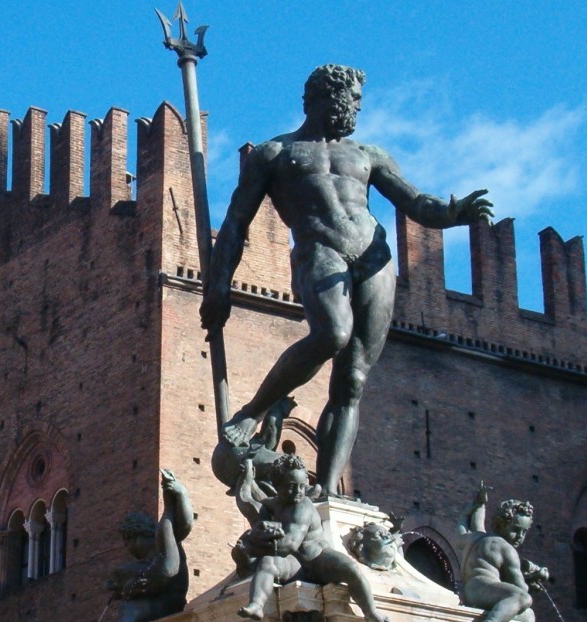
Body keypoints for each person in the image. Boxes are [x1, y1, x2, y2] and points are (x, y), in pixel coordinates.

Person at [200, 64, 494, 496]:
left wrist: (453, 214)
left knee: (352, 379)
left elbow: (415, 202)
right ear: (327, 95)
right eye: (353, 99)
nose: (358, 108)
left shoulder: (367, 155)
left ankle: (329, 494)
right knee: (333, 334)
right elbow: (235, 223)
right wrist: (219, 286)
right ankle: (252, 411)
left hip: (374, 258)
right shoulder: (275, 154)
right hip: (319, 251)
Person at [234, 454, 390, 622]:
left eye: (302, 486)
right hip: (296, 564)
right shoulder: (274, 504)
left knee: (351, 568)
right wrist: (246, 476)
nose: (298, 492)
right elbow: (250, 503)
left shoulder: (303, 507)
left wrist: (253, 546)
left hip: (319, 561)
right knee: (268, 563)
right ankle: (257, 604)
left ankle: (370, 611)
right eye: (291, 486)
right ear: (278, 485)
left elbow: (288, 544)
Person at [88, 469, 193, 622]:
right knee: (130, 609)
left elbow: (185, 524)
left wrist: (180, 493)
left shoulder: (163, 540)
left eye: (130, 541)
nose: (128, 548)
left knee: (130, 609)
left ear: (141, 535)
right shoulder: (148, 560)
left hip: (171, 604)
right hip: (159, 604)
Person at [456, 482, 562, 622]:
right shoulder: (506, 549)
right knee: (524, 599)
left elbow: (463, 528)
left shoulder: (476, 537)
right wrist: (533, 577)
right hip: (483, 591)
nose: (520, 536)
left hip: (471, 590)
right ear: (500, 524)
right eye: (516, 529)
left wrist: (476, 506)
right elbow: (520, 590)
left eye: (524, 532)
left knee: (528, 617)